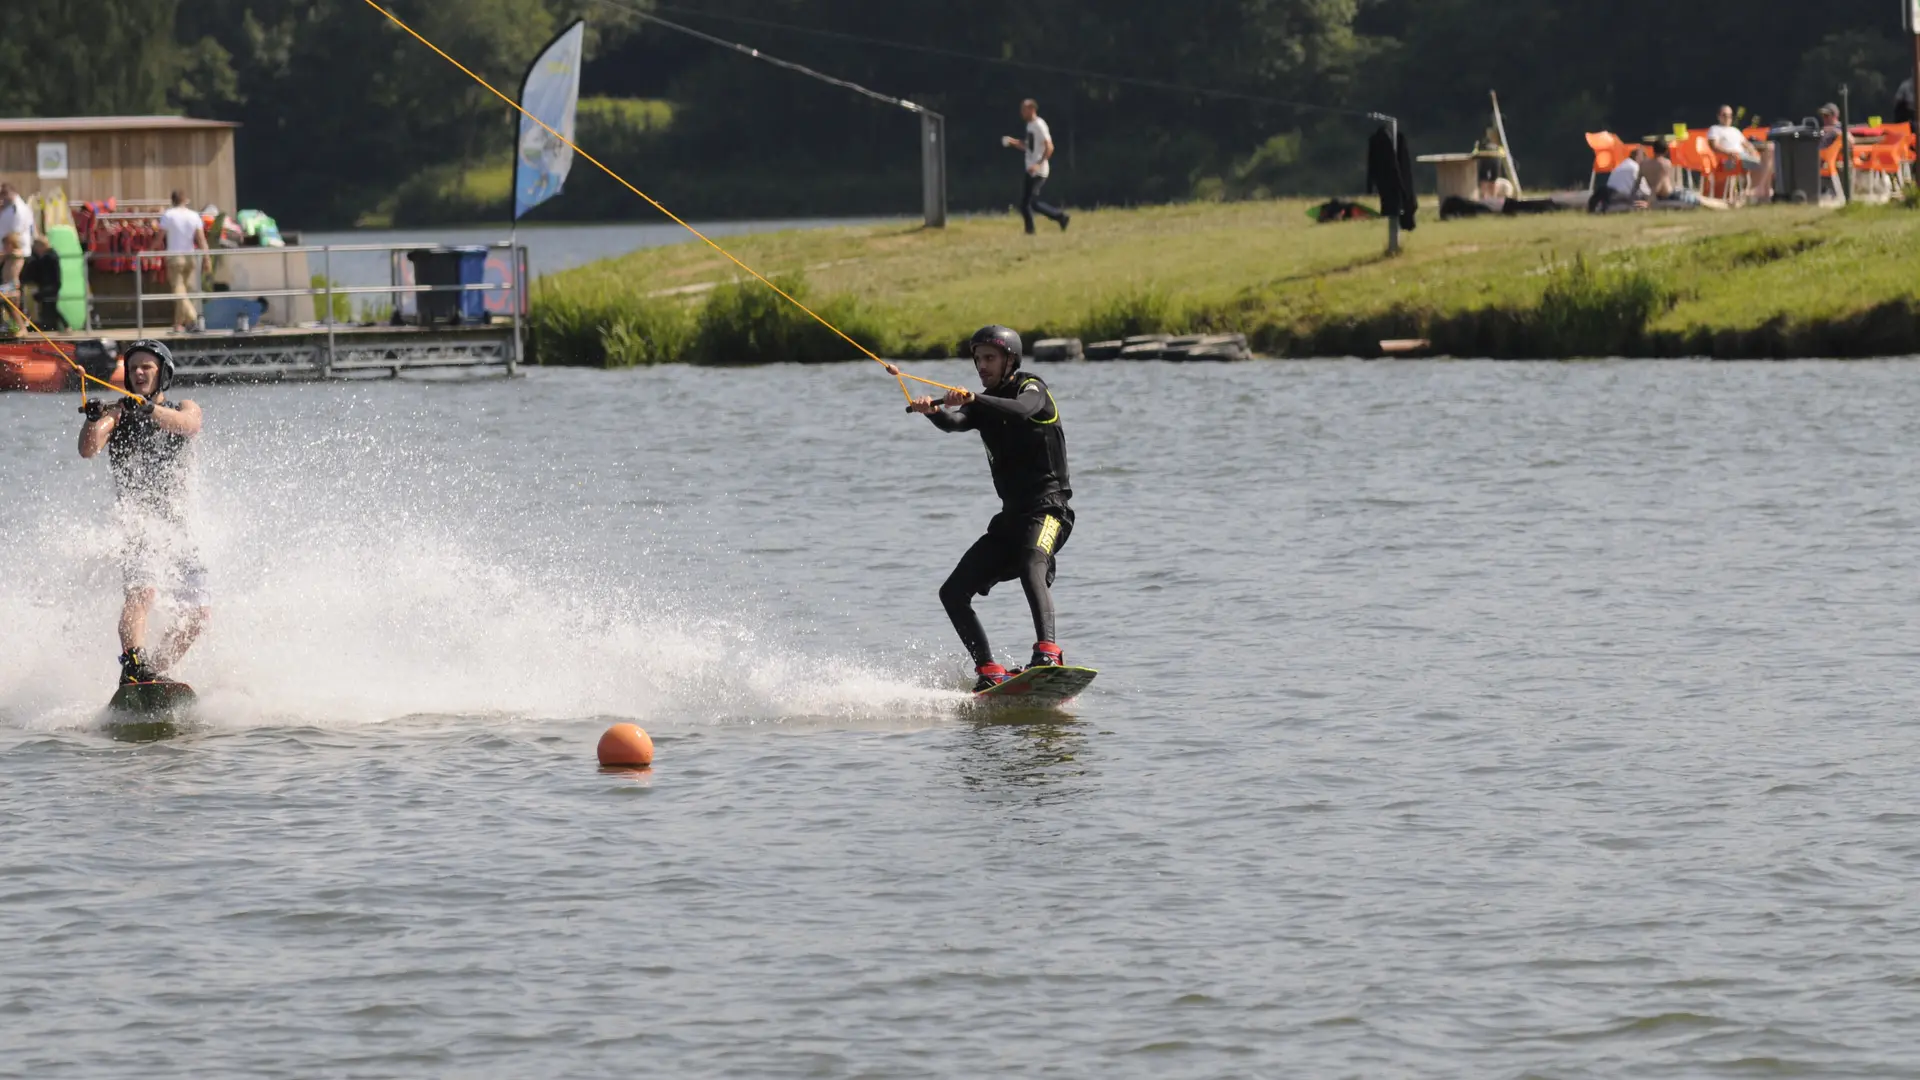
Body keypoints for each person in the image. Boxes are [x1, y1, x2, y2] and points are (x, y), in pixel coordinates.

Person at [890, 326, 1074, 691]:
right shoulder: (983, 404)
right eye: (978, 359)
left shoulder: (1032, 389)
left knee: (1031, 562)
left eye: (990, 358)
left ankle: (1048, 653)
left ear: (1010, 360)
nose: (982, 366)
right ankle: (988, 669)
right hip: (1011, 520)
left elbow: (1021, 411)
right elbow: (956, 422)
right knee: (952, 593)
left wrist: (974, 399)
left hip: (1049, 511)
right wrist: (933, 411)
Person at [76, 340, 210, 685]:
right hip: (138, 524)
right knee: (142, 592)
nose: (138, 372)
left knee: (197, 615)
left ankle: (155, 674)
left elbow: (189, 425)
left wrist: (149, 410)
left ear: (163, 373)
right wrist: (93, 420)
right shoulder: (117, 414)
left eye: (146, 367)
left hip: (179, 528)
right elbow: (88, 449)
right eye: (133, 367)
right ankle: (134, 663)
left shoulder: (184, 407)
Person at [1002, 99, 1070, 233]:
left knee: (1030, 203)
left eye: (1024, 110)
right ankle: (1057, 219)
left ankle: (1056, 219)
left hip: (1038, 171)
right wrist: (1013, 142)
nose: (1022, 113)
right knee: (1026, 204)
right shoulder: (1030, 125)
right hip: (1030, 170)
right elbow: (1028, 146)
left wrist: (1039, 165)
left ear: (1032, 109)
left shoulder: (1040, 125)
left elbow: (1050, 147)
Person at [159, 190, 208, 333]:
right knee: (184, 291)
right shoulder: (194, 215)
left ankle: (193, 318)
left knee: (178, 291)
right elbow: (202, 240)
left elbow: (159, 237)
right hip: (190, 257)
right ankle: (178, 324)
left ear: (172, 201)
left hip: (175, 257)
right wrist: (207, 258)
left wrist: (148, 251)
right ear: (185, 200)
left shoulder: (168, 215)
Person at [1706, 105, 1773, 204]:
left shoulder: (1735, 131)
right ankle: (1756, 192)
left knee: (1769, 151)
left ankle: (1761, 193)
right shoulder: (1715, 129)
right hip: (1727, 159)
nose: (1727, 118)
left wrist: (1752, 150)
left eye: (1730, 116)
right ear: (1719, 116)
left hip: (1742, 157)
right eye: (1724, 115)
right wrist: (1728, 152)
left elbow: (1747, 144)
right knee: (1760, 164)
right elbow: (1714, 146)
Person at [20, 236, 65, 330]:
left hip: (51, 285)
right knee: (49, 307)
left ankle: (63, 326)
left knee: (49, 306)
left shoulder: (49, 257)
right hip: (46, 285)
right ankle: (52, 326)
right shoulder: (42, 257)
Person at [0, 181, 32, 306]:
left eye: (3, 194)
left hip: (15, 251)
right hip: (9, 251)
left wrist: (6, 251)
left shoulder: (17, 209)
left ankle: (16, 315)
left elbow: (14, 234)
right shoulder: (9, 207)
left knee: (11, 286)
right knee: (7, 283)